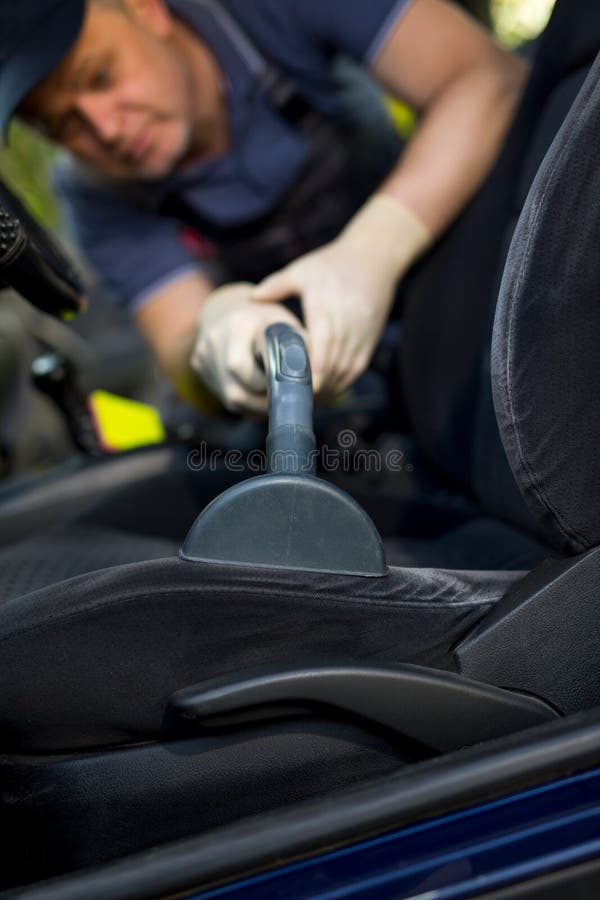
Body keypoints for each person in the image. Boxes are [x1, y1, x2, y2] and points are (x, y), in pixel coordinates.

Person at [0, 0, 528, 414]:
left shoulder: (268, 11)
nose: (106, 129)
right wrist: (218, 335)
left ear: (147, 10)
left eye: (100, 76)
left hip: (470, 296)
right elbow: (179, 342)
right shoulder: (94, 194)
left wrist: (375, 249)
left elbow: (488, 78)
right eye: (65, 124)